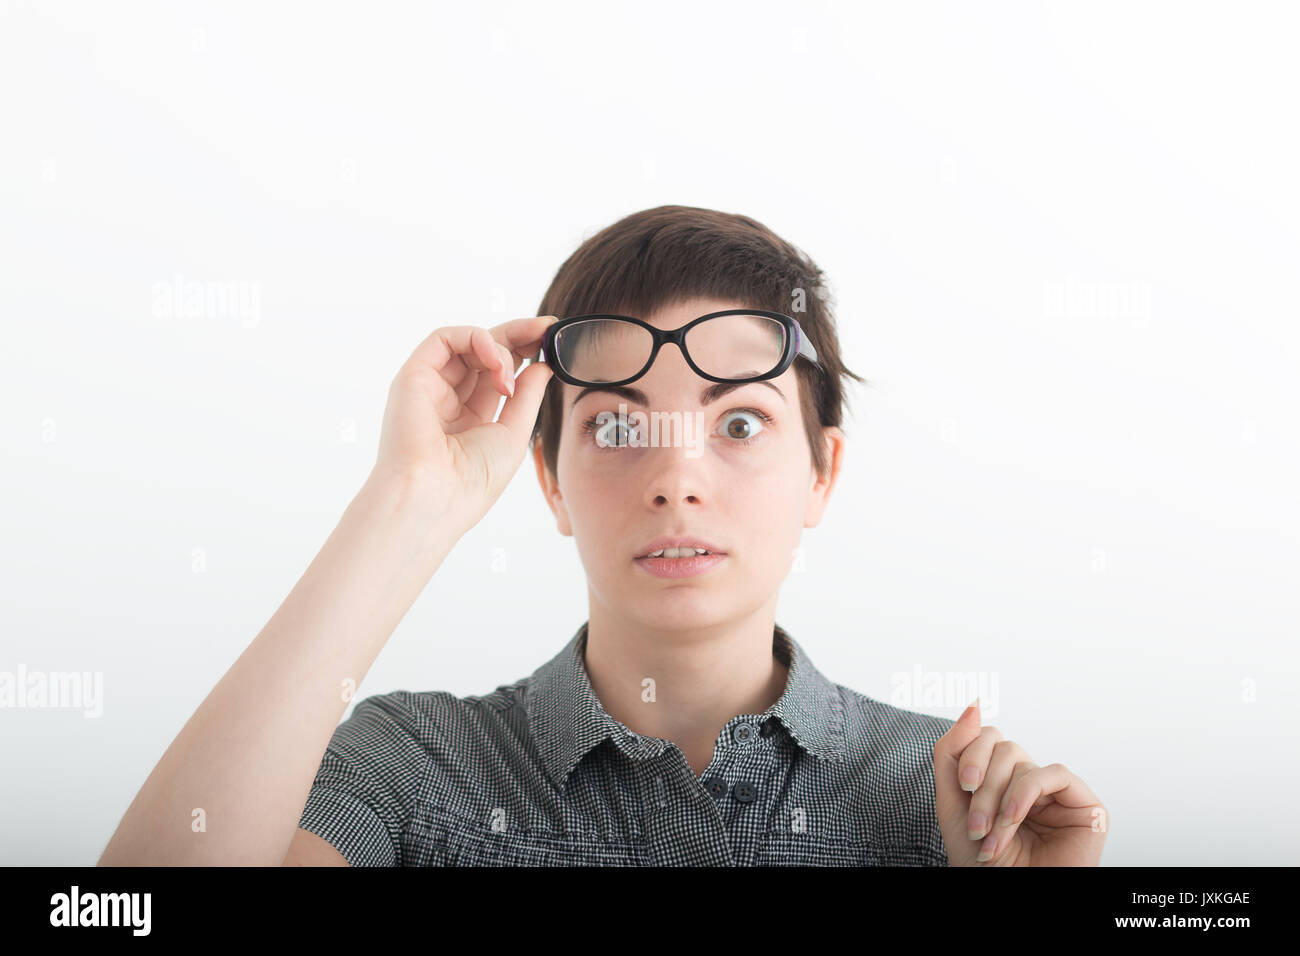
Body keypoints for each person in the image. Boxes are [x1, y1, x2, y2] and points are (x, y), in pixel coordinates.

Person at [98, 205, 1106, 867]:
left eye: (739, 423)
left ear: (822, 471)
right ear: (548, 474)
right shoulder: (414, 767)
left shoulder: (953, 803)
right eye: (618, 424)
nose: (675, 477)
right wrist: (410, 499)